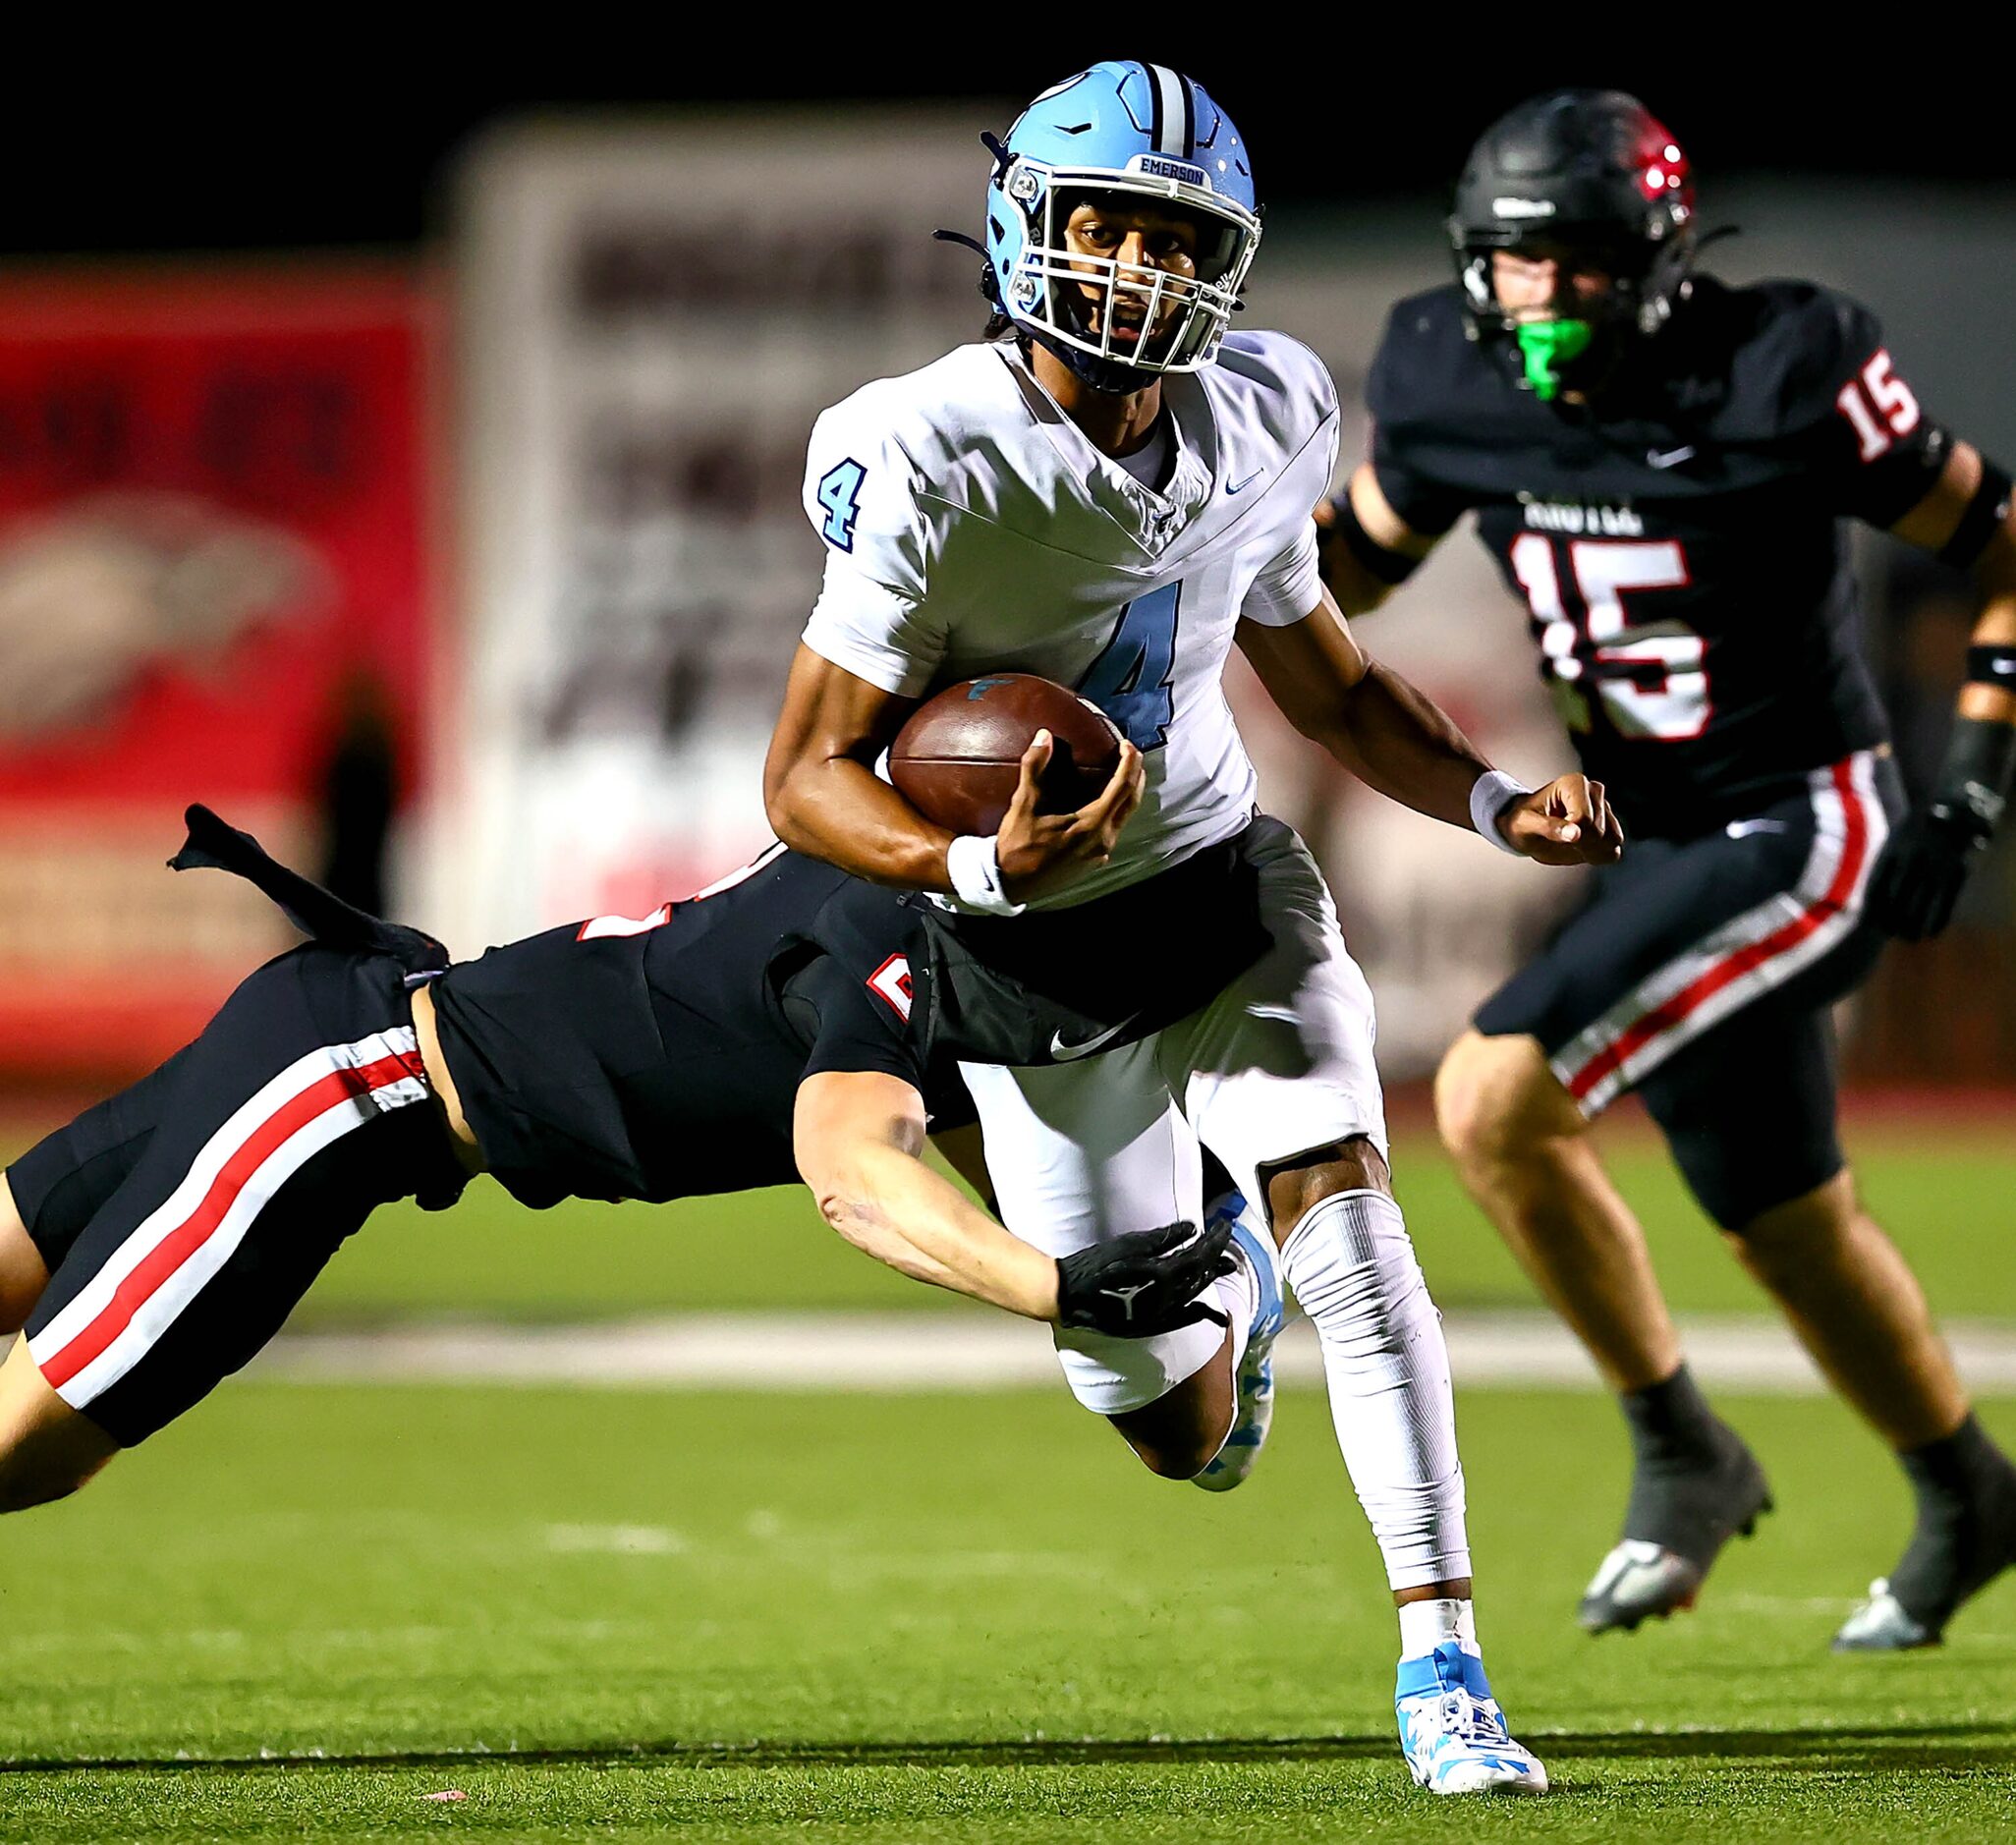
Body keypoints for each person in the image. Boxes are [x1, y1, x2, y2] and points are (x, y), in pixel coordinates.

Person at [764, 60, 1619, 1796]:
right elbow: (804, 777)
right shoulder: (919, 446)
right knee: (1171, 1421)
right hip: (1023, 949)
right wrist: (978, 871)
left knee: (1355, 1236)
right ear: (1026, 222)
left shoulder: (1265, 408)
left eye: (1177, 238)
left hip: (1223, 881)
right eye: (1109, 227)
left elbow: (1332, 681)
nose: (1145, 271)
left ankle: (1443, 1666)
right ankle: (1215, 1311)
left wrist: (1485, 800)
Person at [1316, 87, 2016, 1650]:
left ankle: (1680, 1444)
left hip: (1804, 817)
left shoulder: (1785, 365)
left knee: (1496, 1097)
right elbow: (1337, 572)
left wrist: (1971, 781)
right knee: (1787, 1218)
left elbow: (2003, 544)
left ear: (1657, 260)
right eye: (1514, 263)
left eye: (1577, 263)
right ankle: (1972, 1489)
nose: (1542, 298)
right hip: (1649, 841)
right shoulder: (1444, 374)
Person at [0, 807, 1233, 1511]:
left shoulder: (885, 869)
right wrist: (1058, 1290)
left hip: (341, 1023)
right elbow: (855, 1175)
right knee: (34, 1441)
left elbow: (977, 1158)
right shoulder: (888, 941)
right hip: (348, 1090)